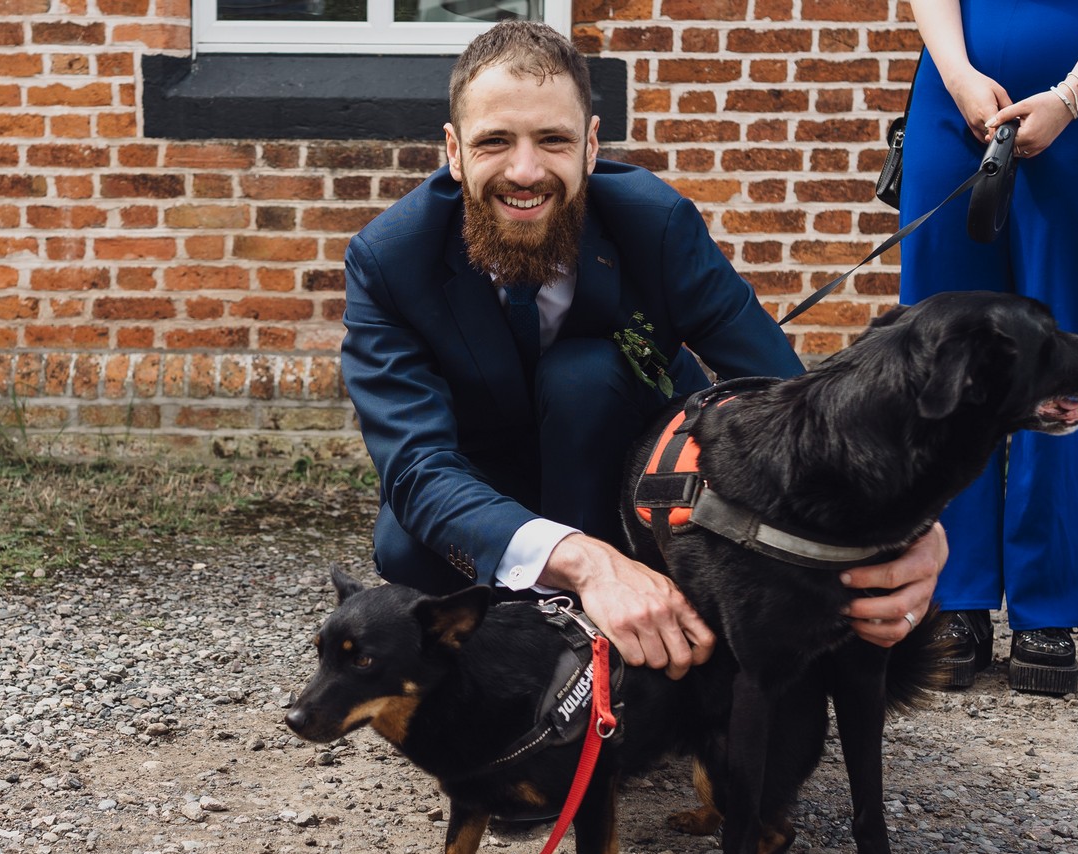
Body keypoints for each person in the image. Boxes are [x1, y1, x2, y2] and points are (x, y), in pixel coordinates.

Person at [341, 20, 946, 681]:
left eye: (552, 140)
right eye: (494, 142)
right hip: (489, 487)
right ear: (454, 153)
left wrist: (910, 528)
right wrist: (584, 561)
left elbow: (787, 397)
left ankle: (641, 648)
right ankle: (525, 647)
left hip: (630, 480)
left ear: (591, 146)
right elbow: (418, 467)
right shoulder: (389, 262)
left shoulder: (654, 223)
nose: (524, 171)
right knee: (404, 537)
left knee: (584, 371)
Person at [898, 0, 1078, 694]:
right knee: (943, 351)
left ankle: (1048, 605)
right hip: (954, 101)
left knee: (1067, 358)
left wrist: (1071, 96)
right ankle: (953, 595)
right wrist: (956, 73)